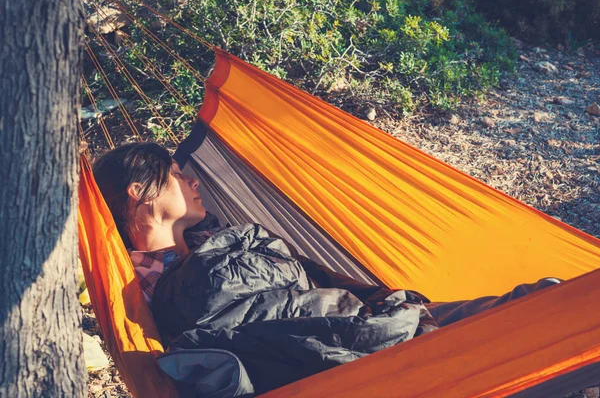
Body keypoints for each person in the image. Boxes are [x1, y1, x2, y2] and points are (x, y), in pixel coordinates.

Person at [93, 142, 560, 397]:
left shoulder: (223, 241)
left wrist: (381, 302)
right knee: (522, 331)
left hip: (367, 320)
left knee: (542, 303)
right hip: (341, 363)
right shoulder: (136, 288)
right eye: (177, 173)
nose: (193, 180)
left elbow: (308, 277)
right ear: (139, 192)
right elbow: (237, 333)